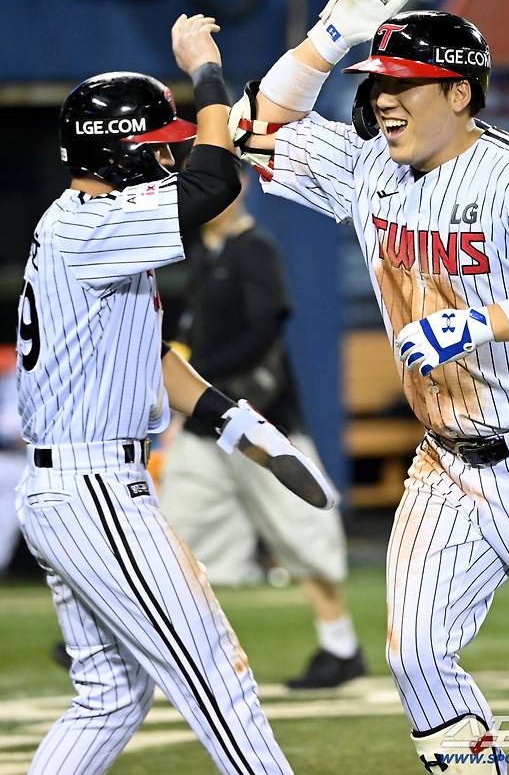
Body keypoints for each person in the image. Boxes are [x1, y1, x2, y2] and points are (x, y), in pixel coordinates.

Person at [229, 0, 509, 773]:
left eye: (407, 83)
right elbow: (257, 123)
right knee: (416, 654)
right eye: (378, 82)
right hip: (446, 461)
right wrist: (328, 40)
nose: (384, 98)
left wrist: (482, 321)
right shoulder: (371, 168)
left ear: (460, 93)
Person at [15, 13, 335, 775]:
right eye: (156, 148)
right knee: (215, 673)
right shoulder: (89, 225)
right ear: (114, 152)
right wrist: (209, 71)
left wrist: (242, 428)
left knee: (109, 694)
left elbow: (149, 361)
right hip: (93, 489)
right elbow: (214, 180)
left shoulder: (91, 228)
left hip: (77, 484)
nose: (167, 160)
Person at [159, 180, 366, 689]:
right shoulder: (202, 251)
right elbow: (187, 329)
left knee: (301, 532)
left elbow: (262, 331)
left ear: (241, 189)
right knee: (169, 534)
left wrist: (194, 372)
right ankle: (141, 643)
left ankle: (340, 646)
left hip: (258, 417)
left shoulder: (256, 248)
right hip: (205, 425)